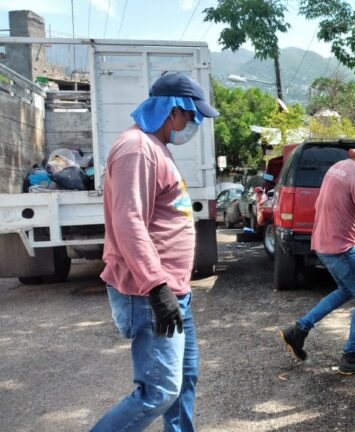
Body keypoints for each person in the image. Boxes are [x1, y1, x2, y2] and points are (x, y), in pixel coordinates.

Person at [91, 72, 218, 432]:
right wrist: (156, 286)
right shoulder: (137, 148)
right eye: (192, 115)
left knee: (184, 380)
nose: (194, 124)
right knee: (159, 391)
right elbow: (128, 221)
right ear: (173, 110)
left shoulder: (154, 146)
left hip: (172, 290)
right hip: (150, 293)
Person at [279, 139, 355, 375]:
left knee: (346, 290)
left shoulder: (338, 167)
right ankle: (351, 356)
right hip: (341, 247)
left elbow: (320, 204)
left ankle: (299, 330)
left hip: (322, 244)